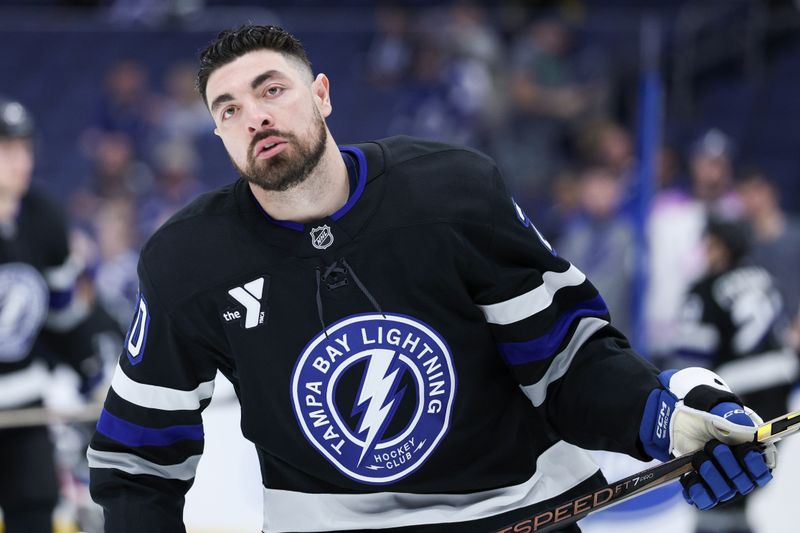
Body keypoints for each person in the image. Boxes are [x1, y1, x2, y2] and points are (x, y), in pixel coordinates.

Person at [88, 25, 776, 533]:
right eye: (228, 109)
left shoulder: (453, 191)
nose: (255, 116)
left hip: (522, 514)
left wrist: (664, 418)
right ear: (218, 134)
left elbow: (568, 360)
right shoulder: (187, 260)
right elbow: (136, 462)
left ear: (322, 96)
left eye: (271, 90)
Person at [0, 97, 106, 532]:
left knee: (36, 506)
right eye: (7, 150)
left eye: (24, 148)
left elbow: (63, 317)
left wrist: (91, 374)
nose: (20, 161)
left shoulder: (42, 216)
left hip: (24, 404)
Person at [670, 216, 798, 533]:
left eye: (710, 244)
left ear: (723, 246)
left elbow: (690, 360)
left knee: (720, 482)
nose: (705, 250)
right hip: (780, 385)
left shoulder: (705, 288)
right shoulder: (763, 276)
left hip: (737, 396)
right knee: (747, 478)